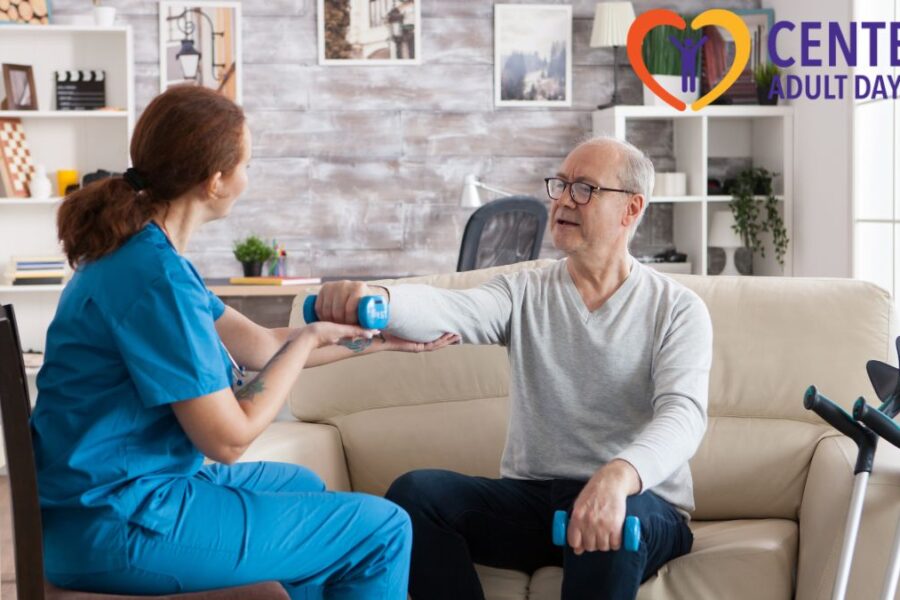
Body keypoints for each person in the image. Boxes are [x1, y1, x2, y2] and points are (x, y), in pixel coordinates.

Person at [30, 85, 457, 598]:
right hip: (118, 521)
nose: (248, 179)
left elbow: (260, 344)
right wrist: (310, 339)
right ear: (214, 181)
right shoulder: (156, 279)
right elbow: (228, 440)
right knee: (382, 530)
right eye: (247, 165)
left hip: (107, 499)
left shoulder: (144, 255)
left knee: (305, 487)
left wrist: (378, 341)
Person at [316, 136, 713, 600]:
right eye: (561, 185)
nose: (563, 200)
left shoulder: (677, 309)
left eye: (584, 188)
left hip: (641, 503)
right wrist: (380, 299)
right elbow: (451, 308)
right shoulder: (523, 291)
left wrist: (617, 477)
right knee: (418, 496)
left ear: (630, 209)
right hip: (539, 502)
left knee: (617, 521)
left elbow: (683, 417)